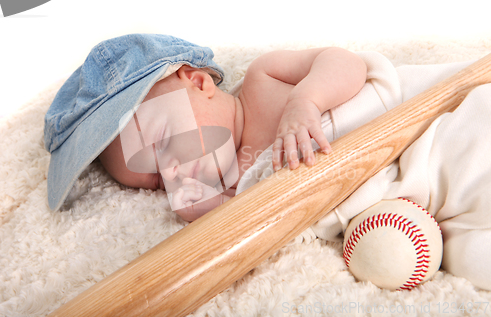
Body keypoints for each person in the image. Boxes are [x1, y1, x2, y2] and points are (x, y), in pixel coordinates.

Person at [44, 34, 367, 222]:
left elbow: (346, 62)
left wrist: (306, 102)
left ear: (199, 82)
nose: (171, 175)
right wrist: (213, 210)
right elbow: (264, 221)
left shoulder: (267, 78)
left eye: (162, 142)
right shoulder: (230, 186)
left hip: (404, 118)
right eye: (155, 179)